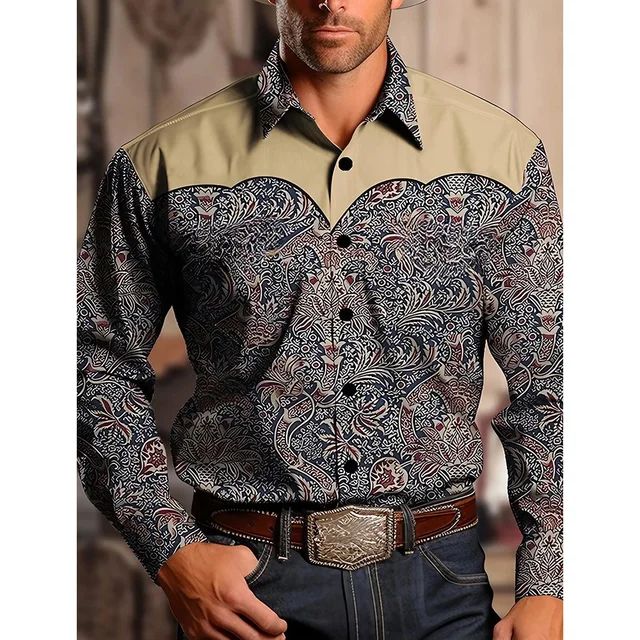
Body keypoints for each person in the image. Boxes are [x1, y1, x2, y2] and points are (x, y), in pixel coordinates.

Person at [76, 0, 563, 638]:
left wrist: (549, 581)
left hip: (442, 588)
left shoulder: (500, 157)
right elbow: (94, 364)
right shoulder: (160, 163)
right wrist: (170, 552)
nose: (331, 0)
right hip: (249, 590)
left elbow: (550, 382)